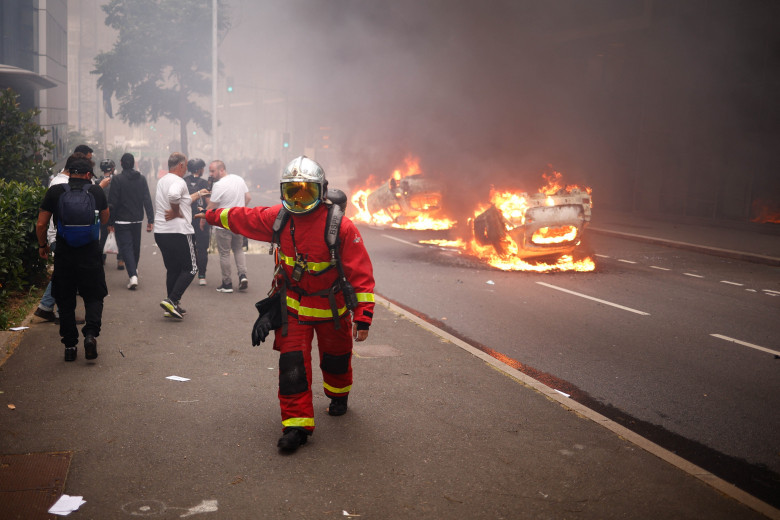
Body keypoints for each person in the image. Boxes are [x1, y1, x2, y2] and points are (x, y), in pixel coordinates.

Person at [201, 156, 375, 452]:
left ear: (321, 192)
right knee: (292, 366)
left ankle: (338, 394)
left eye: (305, 191)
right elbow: (245, 217)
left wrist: (363, 317)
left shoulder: (341, 227)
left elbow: (361, 273)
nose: (298, 198)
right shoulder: (278, 218)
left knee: (336, 359)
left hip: (332, 310)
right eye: (291, 191)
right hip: (294, 307)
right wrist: (211, 216)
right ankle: (296, 425)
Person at [36, 155, 109, 362]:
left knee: (65, 299)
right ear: (87, 175)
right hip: (90, 254)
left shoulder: (55, 192)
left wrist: (43, 245)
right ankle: (90, 335)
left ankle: (69, 345)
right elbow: (105, 218)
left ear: (69, 173)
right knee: (94, 295)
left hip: (64, 255)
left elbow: (41, 224)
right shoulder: (96, 191)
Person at [154, 152, 209, 319]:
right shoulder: (178, 181)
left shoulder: (163, 180)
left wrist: (199, 194)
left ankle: (172, 305)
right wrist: (177, 212)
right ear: (181, 165)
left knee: (173, 269)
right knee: (192, 268)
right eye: (185, 165)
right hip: (179, 232)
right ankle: (172, 300)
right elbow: (174, 196)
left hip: (161, 232)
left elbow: (182, 198)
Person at [34, 155, 80, 323]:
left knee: (62, 272)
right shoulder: (62, 185)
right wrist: (44, 244)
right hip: (60, 236)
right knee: (66, 274)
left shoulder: (57, 182)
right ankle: (62, 313)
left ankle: (46, 307)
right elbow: (42, 222)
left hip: (58, 235)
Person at [108, 153, 155, 290]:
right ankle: (134, 270)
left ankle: (133, 275)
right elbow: (147, 199)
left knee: (126, 247)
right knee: (135, 247)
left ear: (121, 163)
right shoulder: (141, 179)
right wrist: (150, 219)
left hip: (121, 220)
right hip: (137, 219)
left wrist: (110, 222)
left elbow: (112, 202)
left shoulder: (117, 180)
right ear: (134, 163)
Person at [206, 160, 250, 293]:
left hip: (223, 224)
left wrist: (204, 216)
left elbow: (212, 205)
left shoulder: (219, 185)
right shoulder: (239, 179)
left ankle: (227, 283)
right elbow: (248, 197)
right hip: (238, 222)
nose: (211, 174)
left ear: (221, 170)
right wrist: (240, 210)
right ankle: (242, 276)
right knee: (238, 250)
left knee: (224, 254)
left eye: (213, 171)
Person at [184, 158, 211, 285]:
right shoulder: (205, 183)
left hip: (186, 220)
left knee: (188, 247)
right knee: (202, 247)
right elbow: (208, 203)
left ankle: (187, 273)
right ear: (199, 169)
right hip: (201, 220)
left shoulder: (183, 182)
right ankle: (202, 276)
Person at [98, 158, 123, 269]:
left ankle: (101, 259)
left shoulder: (97, 182)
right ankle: (120, 260)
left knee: (103, 236)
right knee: (119, 236)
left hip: (102, 212)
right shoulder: (117, 181)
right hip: (116, 212)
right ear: (113, 169)